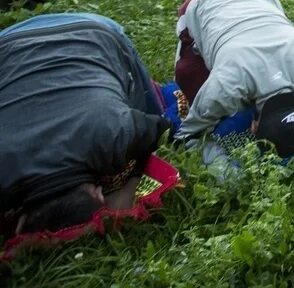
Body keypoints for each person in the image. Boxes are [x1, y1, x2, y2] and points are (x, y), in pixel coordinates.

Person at [0, 13, 169, 236]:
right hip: (10, 45)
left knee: (150, 108)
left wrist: (128, 191)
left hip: (95, 33)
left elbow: (159, 128)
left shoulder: (114, 133)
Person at [174, 0, 294, 156]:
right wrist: (223, 166)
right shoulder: (223, 88)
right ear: (253, 127)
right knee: (187, 79)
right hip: (201, 2)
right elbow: (187, 136)